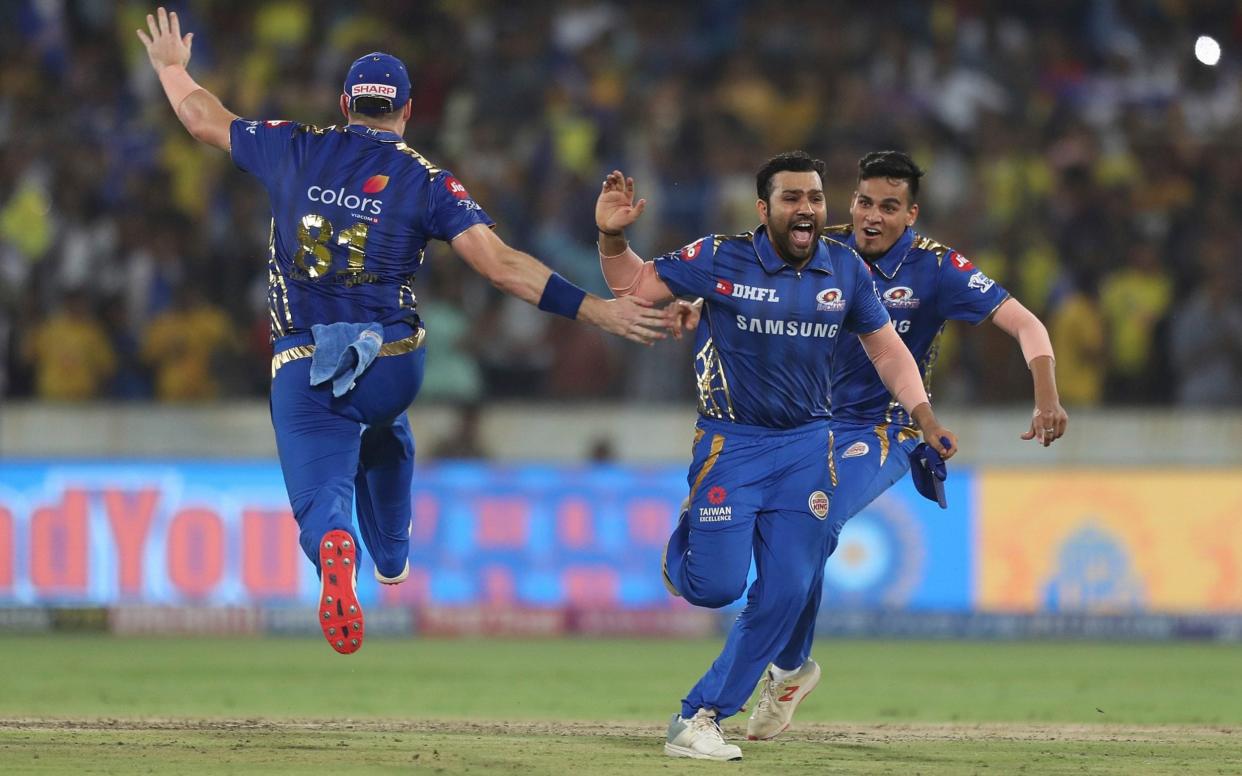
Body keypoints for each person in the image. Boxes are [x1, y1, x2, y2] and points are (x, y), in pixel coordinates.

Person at [137, 7, 673, 655]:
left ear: (345, 104)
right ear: (408, 111)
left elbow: (201, 119)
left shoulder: (294, 146)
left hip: (303, 361)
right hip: (390, 359)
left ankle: (342, 552)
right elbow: (501, 267)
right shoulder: (427, 182)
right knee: (386, 424)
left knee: (321, 506)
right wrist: (599, 309)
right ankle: (392, 551)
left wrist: (171, 68)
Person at [594, 152, 958, 761]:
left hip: (808, 450)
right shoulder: (719, 257)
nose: (807, 209)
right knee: (715, 588)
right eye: (792, 198)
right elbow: (634, 285)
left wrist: (924, 417)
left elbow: (888, 350)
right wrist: (611, 236)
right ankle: (684, 548)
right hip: (730, 447)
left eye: (815, 198)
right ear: (764, 209)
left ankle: (700, 716)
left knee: (789, 588)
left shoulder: (844, 268)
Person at [719, 150, 1067, 743]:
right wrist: (691, 304)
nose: (870, 217)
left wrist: (1047, 396)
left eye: (888, 207)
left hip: (884, 428)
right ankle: (794, 669)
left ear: (911, 215)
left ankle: (782, 672)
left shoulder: (938, 268)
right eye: (863, 202)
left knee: (812, 520)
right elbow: (743, 283)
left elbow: (1027, 323)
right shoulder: (819, 246)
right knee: (790, 533)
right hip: (804, 426)